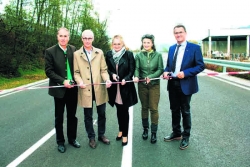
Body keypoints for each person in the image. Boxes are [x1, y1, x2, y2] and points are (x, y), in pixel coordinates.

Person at [163, 24, 205, 150]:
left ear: (185, 33)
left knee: (185, 111)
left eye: (180, 32)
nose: (178, 34)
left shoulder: (194, 48)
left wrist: (186, 73)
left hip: (186, 84)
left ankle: (186, 136)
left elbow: (200, 66)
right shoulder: (171, 48)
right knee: (174, 110)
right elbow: (168, 66)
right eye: (176, 32)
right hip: (173, 83)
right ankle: (176, 133)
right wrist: (165, 71)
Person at [73, 29, 112, 149]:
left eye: (89, 38)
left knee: (102, 113)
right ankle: (91, 137)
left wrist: (107, 80)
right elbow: (76, 73)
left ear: (93, 39)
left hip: (99, 88)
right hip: (85, 89)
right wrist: (79, 82)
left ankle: (101, 135)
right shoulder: (76, 54)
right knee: (88, 116)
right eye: (85, 38)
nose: (87, 40)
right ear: (82, 39)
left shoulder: (99, 52)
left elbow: (103, 70)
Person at [44, 27, 80, 153]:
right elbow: (49, 71)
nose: (63, 38)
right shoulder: (50, 51)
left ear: (69, 37)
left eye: (65, 36)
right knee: (59, 117)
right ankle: (60, 142)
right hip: (59, 90)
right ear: (57, 37)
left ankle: (72, 139)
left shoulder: (74, 49)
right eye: (61, 36)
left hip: (72, 90)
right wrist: (62, 81)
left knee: (72, 116)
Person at [105, 35, 138, 146]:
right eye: (115, 44)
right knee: (119, 111)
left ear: (123, 44)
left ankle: (125, 135)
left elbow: (132, 70)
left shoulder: (128, 54)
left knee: (125, 112)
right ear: (112, 44)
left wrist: (126, 79)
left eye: (119, 44)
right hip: (115, 88)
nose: (117, 46)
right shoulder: (109, 54)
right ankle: (120, 130)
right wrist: (112, 75)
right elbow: (106, 69)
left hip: (126, 88)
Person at [133, 34, 164, 144]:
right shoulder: (138, 56)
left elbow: (160, 69)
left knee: (154, 108)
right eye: (144, 42)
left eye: (148, 42)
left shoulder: (158, 55)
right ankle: (145, 129)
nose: (146, 44)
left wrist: (150, 77)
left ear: (152, 43)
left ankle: (154, 133)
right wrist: (136, 76)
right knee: (144, 107)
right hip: (142, 85)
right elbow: (136, 68)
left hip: (154, 85)